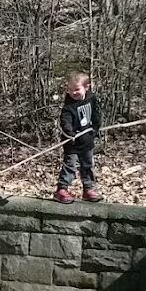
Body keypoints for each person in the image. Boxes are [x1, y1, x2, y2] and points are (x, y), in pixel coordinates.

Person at [53, 72, 103, 204]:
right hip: (72, 143)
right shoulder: (68, 106)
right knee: (70, 166)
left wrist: (96, 128)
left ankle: (88, 189)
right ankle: (61, 189)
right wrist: (70, 133)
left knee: (87, 165)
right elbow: (65, 121)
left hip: (87, 140)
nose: (73, 93)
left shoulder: (91, 98)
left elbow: (95, 114)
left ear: (86, 87)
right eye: (70, 90)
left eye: (76, 89)